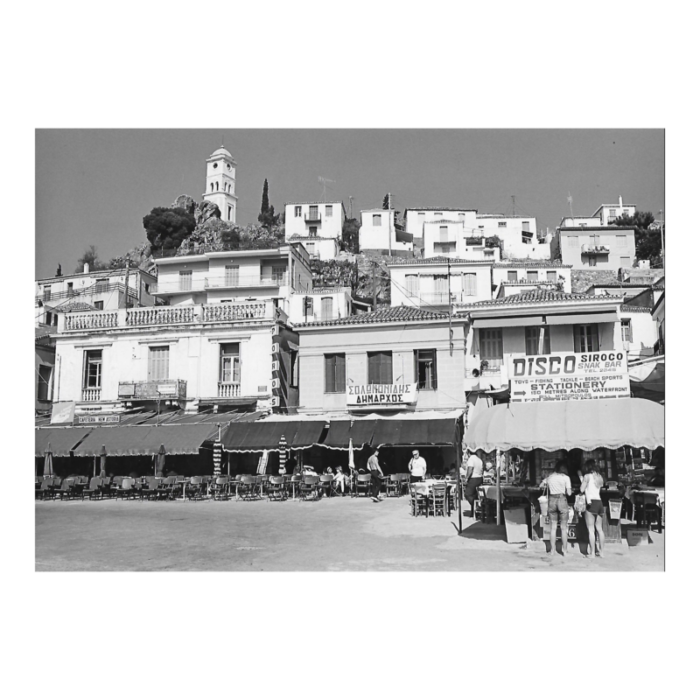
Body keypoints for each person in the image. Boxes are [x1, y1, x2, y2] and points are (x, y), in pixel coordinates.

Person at [546, 459, 573, 556]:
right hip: (562, 500)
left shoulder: (550, 477)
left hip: (552, 500)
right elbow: (569, 493)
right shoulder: (566, 478)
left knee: (553, 528)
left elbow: (544, 486)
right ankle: (565, 551)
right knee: (563, 527)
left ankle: (552, 550)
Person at [580, 459, 605, 558]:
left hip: (591, 503)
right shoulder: (599, 477)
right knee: (599, 529)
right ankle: (602, 552)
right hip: (599, 502)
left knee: (591, 530)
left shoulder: (587, 476)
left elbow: (582, 489)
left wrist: (582, 480)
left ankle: (592, 553)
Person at [464, 449, 484, 518]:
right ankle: (473, 512)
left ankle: (476, 505)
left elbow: (470, 469)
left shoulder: (471, 459)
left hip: (473, 478)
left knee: (467, 494)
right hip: (480, 478)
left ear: (469, 452)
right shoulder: (479, 459)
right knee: (475, 495)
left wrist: (466, 478)